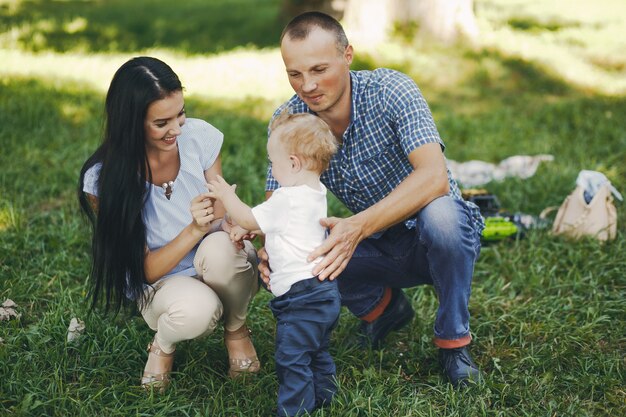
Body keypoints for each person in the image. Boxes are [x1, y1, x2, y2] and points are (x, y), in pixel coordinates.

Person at [259, 12, 485, 388]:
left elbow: (434, 177)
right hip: (376, 244)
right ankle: (383, 310)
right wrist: (274, 250)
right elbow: (279, 203)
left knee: (442, 218)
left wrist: (356, 227)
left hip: (438, 237)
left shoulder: (391, 90)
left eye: (319, 69)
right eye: (294, 74)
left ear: (348, 55)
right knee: (299, 256)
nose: (308, 85)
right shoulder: (290, 119)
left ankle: (453, 342)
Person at [77, 56, 260, 392]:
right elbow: (146, 270)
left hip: (210, 257)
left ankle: (236, 330)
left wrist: (236, 225)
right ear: (131, 124)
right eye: (161, 123)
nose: (177, 129)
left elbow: (219, 220)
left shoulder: (199, 137)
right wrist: (193, 229)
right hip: (161, 282)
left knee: (225, 251)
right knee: (198, 311)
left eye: (181, 113)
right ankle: (163, 344)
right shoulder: (104, 180)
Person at [207, 111, 341, 417]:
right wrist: (252, 227)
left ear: (293, 163)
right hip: (324, 294)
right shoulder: (314, 194)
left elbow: (247, 216)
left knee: (292, 358)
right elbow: (282, 226)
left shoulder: (286, 198)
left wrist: (228, 196)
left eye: (273, 162)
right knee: (316, 350)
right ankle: (326, 396)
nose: (271, 168)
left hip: (301, 297)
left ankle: (295, 411)